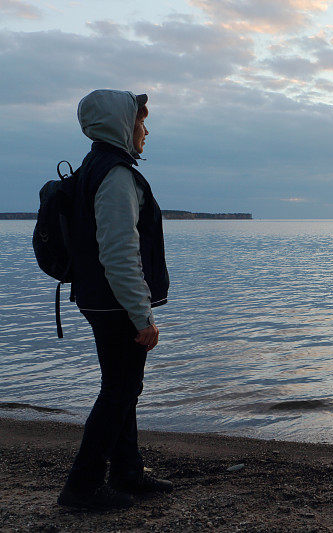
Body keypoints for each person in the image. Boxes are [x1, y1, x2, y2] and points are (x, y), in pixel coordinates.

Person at [57, 90, 172, 511]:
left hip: (99, 299)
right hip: (115, 304)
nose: (146, 130)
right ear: (122, 124)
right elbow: (120, 251)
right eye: (141, 122)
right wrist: (142, 316)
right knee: (120, 390)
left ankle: (128, 472)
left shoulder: (94, 167)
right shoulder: (116, 174)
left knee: (124, 388)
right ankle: (81, 488)